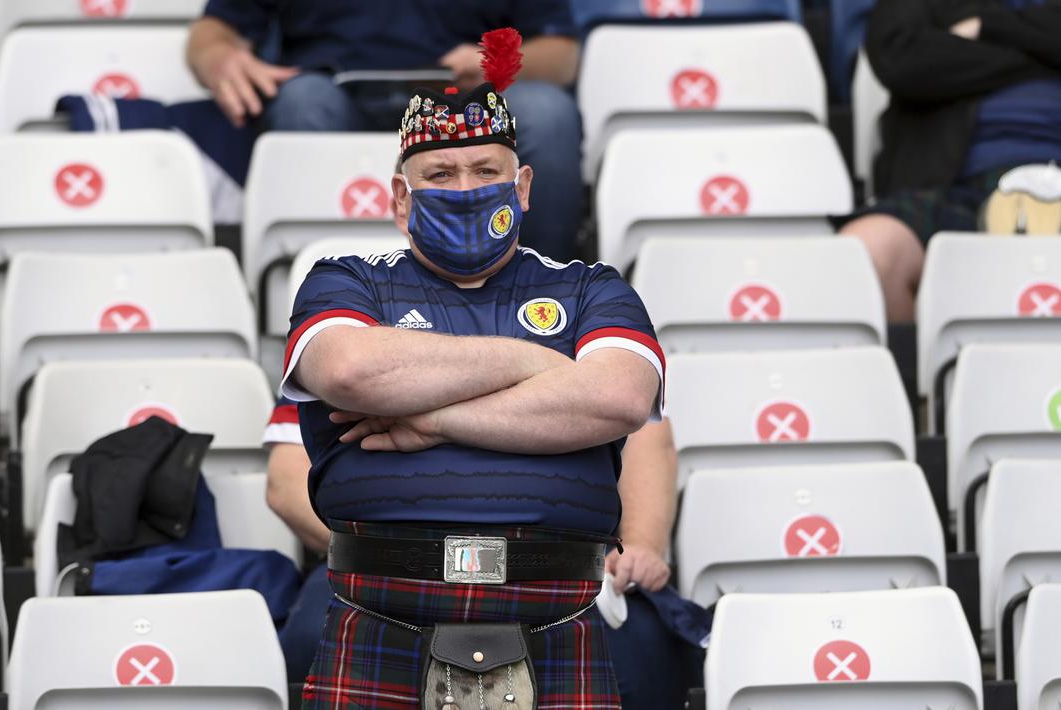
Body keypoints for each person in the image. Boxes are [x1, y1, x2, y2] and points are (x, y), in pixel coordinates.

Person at [279, 34, 664, 707]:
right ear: (400, 199)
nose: (465, 190)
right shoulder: (345, 281)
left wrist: (427, 417)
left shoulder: (591, 287)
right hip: (381, 608)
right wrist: (532, 362)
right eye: (439, 175)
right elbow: (349, 371)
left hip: (556, 611)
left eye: (486, 171)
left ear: (523, 186)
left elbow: (619, 397)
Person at [266, 402, 707, 708]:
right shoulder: (355, 322)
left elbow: (642, 428)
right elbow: (287, 482)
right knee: (308, 638)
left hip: (568, 567)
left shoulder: (578, 309)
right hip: (378, 565)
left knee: (646, 650)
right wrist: (384, 555)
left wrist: (642, 544)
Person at [185, 1, 584, 261]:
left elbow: (561, 55)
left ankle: (541, 297)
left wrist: (494, 62)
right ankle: (316, 300)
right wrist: (219, 58)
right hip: (331, 98)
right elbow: (215, 30)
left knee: (547, 115)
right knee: (302, 101)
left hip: (467, 106)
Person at [839, 0, 1061, 322]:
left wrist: (987, 27)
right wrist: (1041, 53)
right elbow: (899, 58)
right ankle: (915, 357)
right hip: (956, 184)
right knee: (868, 253)